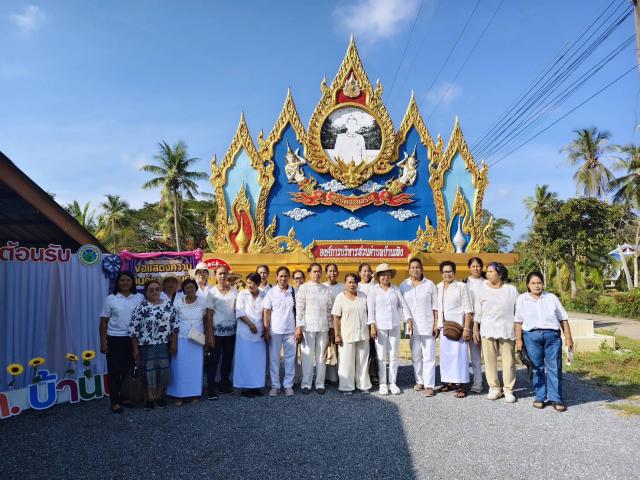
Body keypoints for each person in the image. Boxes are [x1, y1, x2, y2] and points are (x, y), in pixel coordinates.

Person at [515, 272, 574, 412]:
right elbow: (518, 321)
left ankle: (556, 398)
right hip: (531, 336)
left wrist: (568, 337)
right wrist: (518, 340)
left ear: (543, 283)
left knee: (555, 367)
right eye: (533, 283)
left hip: (552, 336)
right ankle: (540, 396)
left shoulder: (551, 298)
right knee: (537, 367)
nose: (536, 285)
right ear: (528, 285)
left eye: (539, 282)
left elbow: (563, 318)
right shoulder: (522, 299)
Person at [129, 279, 178, 411]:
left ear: (160, 290)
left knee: (163, 371)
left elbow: (175, 326)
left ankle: (159, 397)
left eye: (157, 289)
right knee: (147, 372)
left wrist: (174, 343)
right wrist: (135, 349)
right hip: (146, 345)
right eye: (151, 290)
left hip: (164, 345)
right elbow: (133, 330)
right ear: (145, 292)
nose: (154, 292)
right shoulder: (141, 306)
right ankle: (150, 398)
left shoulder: (168, 304)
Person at [473, 262, 518, 403]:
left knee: (509, 361)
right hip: (488, 328)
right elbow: (478, 311)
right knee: (489, 361)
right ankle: (494, 388)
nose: (488, 274)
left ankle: (508, 389)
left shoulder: (511, 290)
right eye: (487, 271)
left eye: (491, 271)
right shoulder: (482, 289)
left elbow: (518, 310)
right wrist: (475, 328)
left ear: (500, 273)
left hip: (506, 328)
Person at [99, 271, 143, 413]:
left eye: (128, 280)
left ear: (132, 282)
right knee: (114, 371)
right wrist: (103, 343)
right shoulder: (110, 299)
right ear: (118, 282)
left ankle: (124, 397)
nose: (125, 283)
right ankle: (115, 401)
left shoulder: (139, 297)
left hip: (133, 339)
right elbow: (103, 322)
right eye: (122, 280)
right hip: (115, 338)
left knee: (128, 369)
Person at [367, 263, 412, 395]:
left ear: (390, 276)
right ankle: (383, 383)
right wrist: (372, 325)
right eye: (382, 275)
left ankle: (393, 383)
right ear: (378, 277)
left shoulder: (395, 289)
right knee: (381, 356)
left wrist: (408, 319)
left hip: (394, 325)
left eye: (387, 274)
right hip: (380, 327)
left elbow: (403, 305)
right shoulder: (373, 290)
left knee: (393, 355)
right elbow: (371, 310)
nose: (385, 277)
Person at [167, 279, 212, 404]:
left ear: (196, 289)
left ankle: (194, 394)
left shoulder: (202, 301)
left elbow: (206, 321)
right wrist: (173, 342)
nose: (190, 290)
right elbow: (173, 323)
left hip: (197, 340)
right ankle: (178, 395)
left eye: (192, 287)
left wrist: (208, 338)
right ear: (183, 290)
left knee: (195, 367)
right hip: (181, 339)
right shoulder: (178, 303)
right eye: (187, 288)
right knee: (179, 368)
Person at [400, 258, 438, 397]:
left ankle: (429, 385)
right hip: (411, 326)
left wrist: (436, 324)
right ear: (409, 269)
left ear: (422, 269)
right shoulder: (404, 285)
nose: (415, 270)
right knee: (416, 355)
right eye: (412, 267)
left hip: (427, 324)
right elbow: (402, 305)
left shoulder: (429, 284)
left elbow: (436, 306)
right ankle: (419, 381)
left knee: (429, 357)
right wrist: (406, 321)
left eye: (417, 267)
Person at [436, 261, 473, 398]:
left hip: (459, 327)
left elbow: (468, 309)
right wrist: (436, 325)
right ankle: (450, 382)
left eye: (450, 271)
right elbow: (436, 308)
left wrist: (466, 328)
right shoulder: (438, 287)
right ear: (441, 273)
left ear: (454, 272)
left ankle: (462, 385)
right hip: (444, 327)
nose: (448, 274)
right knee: (446, 357)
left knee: (460, 357)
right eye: (445, 271)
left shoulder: (461, 286)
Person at [295, 263, 333, 394]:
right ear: (309, 273)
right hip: (307, 327)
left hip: (323, 327)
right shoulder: (304, 288)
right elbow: (300, 309)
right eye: (314, 271)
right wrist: (299, 327)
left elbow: (329, 309)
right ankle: (306, 384)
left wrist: (330, 326)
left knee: (321, 356)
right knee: (307, 356)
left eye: (319, 271)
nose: (317, 273)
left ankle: (320, 384)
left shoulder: (325, 289)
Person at [333, 273, 371, 395]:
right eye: (349, 282)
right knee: (346, 362)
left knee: (362, 361)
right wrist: (337, 334)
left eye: (354, 282)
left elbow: (370, 314)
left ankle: (363, 385)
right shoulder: (340, 297)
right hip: (346, 335)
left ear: (357, 283)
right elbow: (336, 318)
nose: (352, 284)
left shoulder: (363, 296)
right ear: (345, 283)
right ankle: (346, 387)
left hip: (363, 333)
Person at [263, 266, 296, 397]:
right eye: (281, 276)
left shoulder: (294, 291)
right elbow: (266, 311)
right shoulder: (271, 292)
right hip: (275, 330)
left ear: (289, 277)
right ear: (276, 277)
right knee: (274, 359)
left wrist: (298, 328)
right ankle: (275, 386)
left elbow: (298, 311)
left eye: (285, 276)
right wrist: (266, 329)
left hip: (290, 331)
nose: (283, 278)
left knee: (290, 359)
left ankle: (288, 386)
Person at [206, 265, 238, 399]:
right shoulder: (212, 292)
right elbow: (209, 315)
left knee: (227, 360)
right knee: (214, 361)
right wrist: (210, 335)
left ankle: (224, 384)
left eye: (224, 273)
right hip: (216, 333)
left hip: (231, 332)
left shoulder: (234, 291)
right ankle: (211, 388)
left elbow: (238, 310)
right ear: (215, 275)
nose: (222, 276)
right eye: (220, 273)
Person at [234, 272, 267, 397]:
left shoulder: (264, 295)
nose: (249, 285)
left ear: (258, 284)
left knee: (258, 361)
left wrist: (265, 328)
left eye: (252, 283)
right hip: (245, 332)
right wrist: (250, 324)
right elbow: (239, 312)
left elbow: (266, 312)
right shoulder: (242, 294)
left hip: (259, 333)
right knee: (245, 360)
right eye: (247, 283)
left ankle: (257, 386)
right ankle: (245, 387)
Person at [465, 257, 485, 393]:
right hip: (470, 322)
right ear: (469, 268)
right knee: (475, 354)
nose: (476, 269)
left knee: (489, 354)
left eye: (478, 266)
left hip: (486, 321)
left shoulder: (487, 282)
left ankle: (493, 382)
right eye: (473, 266)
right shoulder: (464, 283)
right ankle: (477, 382)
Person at [357, 262, 378, 384]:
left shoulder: (375, 286)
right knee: (360, 349)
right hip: (359, 321)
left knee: (372, 349)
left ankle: (373, 374)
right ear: (359, 273)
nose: (366, 273)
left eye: (368, 271)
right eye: (364, 271)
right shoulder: (356, 286)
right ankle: (360, 374)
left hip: (372, 321)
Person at [323, 263, 343, 384]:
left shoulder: (342, 287)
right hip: (325, 323)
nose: (332, 273)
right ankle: (330, 377)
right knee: (327, 348)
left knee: (340, 349)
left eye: (334, 271)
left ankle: (341, 376)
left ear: (338, 273)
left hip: (341, 322)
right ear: (326, 273)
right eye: (330, 271)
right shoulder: (322, 287)